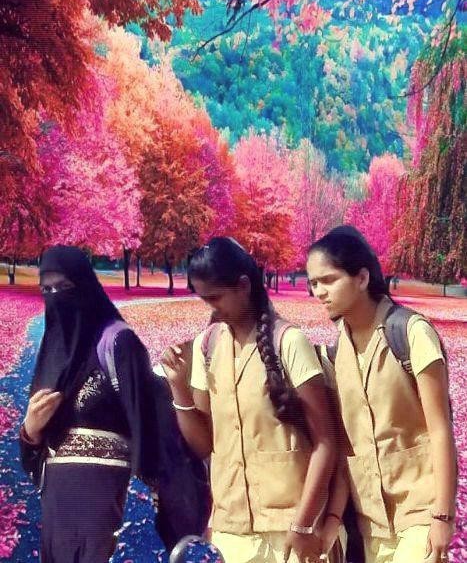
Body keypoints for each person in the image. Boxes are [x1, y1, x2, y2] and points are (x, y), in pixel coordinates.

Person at [162, 237, 338, 563]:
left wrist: (302, 524)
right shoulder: (207, 346)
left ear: (243, 286)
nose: (211, 308)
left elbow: (326, 442)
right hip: (232, 530)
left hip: (289, 529)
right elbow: (205, 445)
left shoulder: (288, 342)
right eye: (204, 299)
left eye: (215, 297)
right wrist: (178, 386)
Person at [306, 226, 457, 563]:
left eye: (328, 280)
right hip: (371, 525)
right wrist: (333, 519)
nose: (319, 292)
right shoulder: (338, 353)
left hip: (420, 512)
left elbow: (440, 429)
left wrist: (442, 517)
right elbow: (346, 447)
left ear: (361, 278)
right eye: (313, 283)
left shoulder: (411, 333)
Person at [19, 245, 159, 563]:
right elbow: (31, 459)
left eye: (63, 286)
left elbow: (147, 425)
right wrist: (31, 430)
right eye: (46, 289)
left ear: (84, 285)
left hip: (102, 498)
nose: (55, 297)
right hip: (57, 502)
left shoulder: (119, 343)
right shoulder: (54, 348)